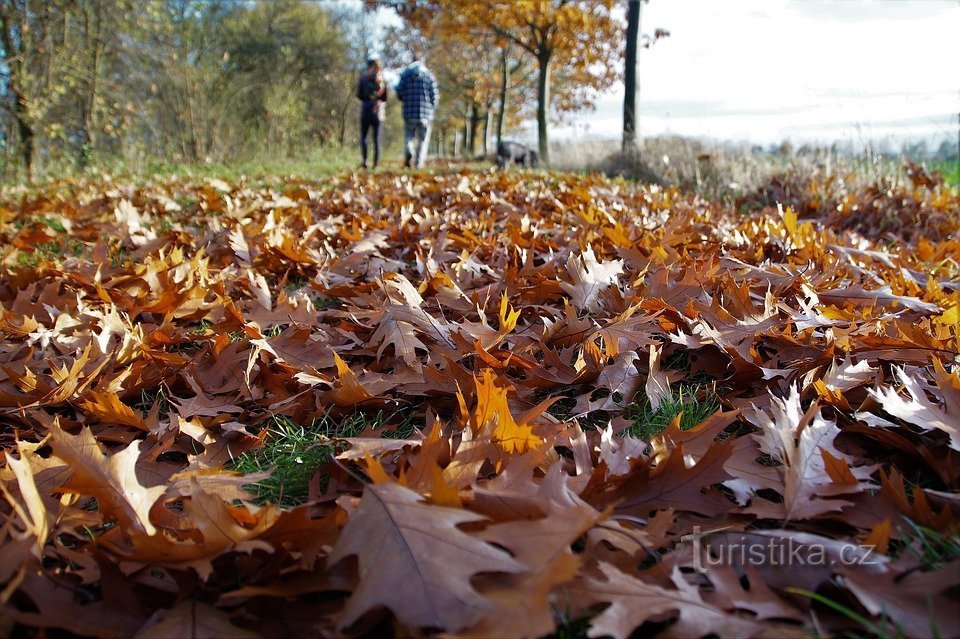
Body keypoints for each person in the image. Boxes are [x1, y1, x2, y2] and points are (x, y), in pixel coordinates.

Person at [395, 53, 438, 168]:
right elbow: (434, 95)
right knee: (423, 140)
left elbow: (399, 92)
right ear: (422, 61)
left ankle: (410, 150)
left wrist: (405, 99)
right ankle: (418, 164)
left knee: (409, 136)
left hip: (409, 112)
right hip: (426, 113)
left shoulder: (405, 75)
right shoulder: (429, 75)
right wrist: (433, 107)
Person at [356, 58, 387, 169]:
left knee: (364, 137)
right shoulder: (382, 80)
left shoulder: (364, 79)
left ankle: (364, 161)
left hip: (365, 109)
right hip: (378, 111)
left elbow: (359, 95)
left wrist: (366, 98)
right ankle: (376, 164)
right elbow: (385, 97)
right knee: (377, 139)